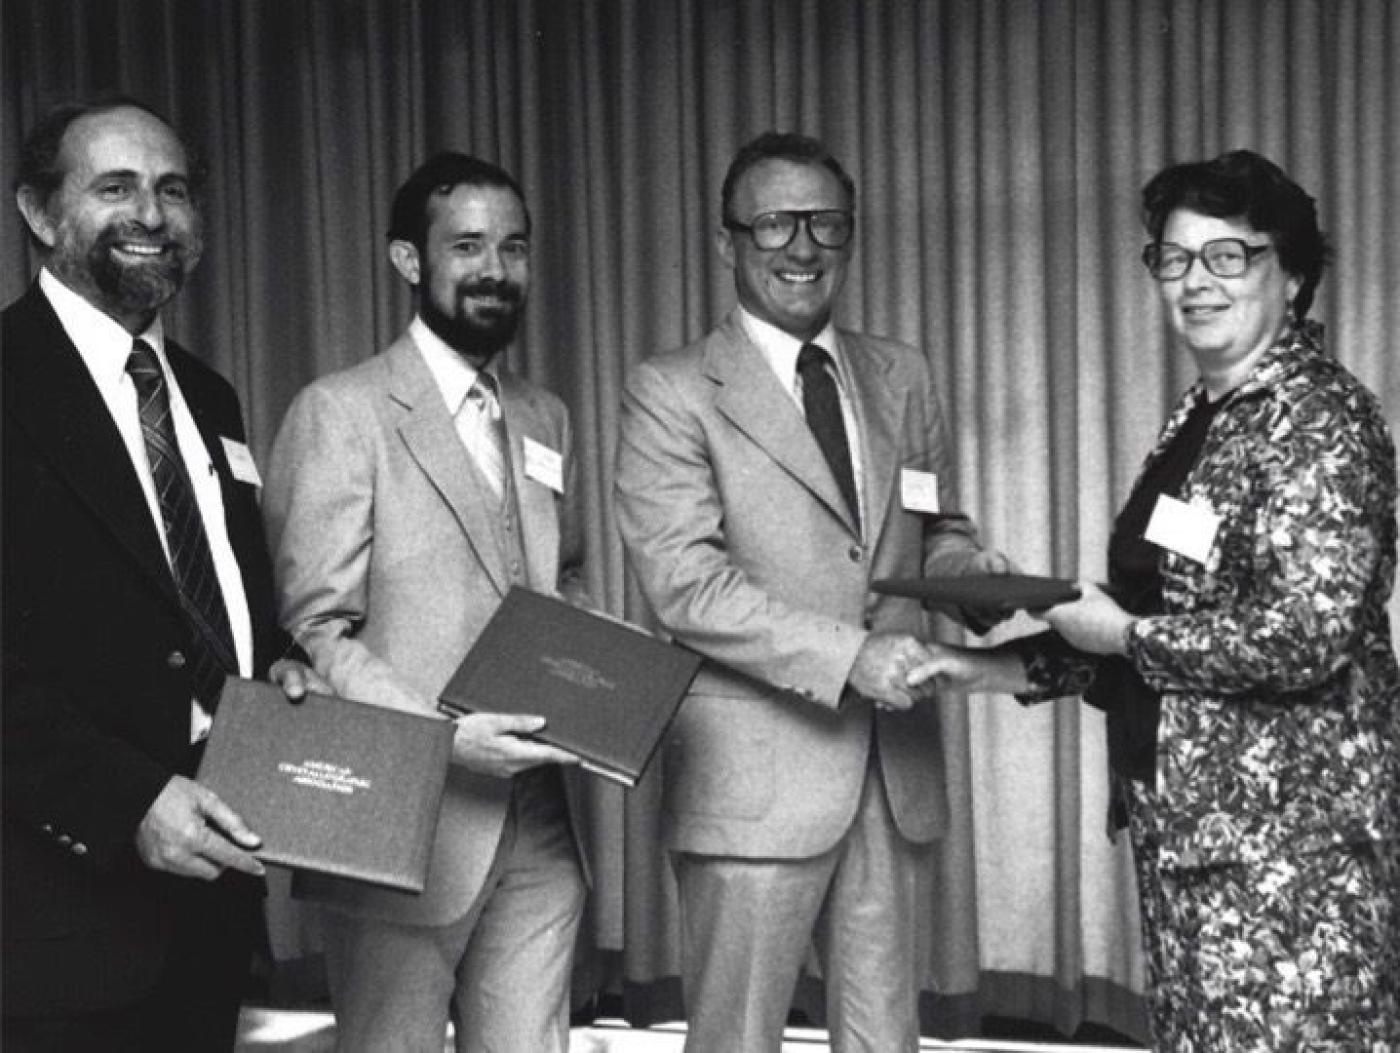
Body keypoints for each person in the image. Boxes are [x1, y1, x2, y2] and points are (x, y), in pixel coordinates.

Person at [914, 149, 1400, 1049]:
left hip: (1289, 867)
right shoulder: (1203, 415)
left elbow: (1307, 634)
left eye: (1228, 256)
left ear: (1290, 275)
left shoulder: (1320, 421)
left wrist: (1129, 632)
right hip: (1190, 842)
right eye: (1174, 258)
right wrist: (982, 666)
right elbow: (1167, 617)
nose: (1195, 282)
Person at [614, 131, 1009, 1052]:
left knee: (885, 1041)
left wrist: (975, 580)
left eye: (825, 224)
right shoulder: (671, 390)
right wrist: (853, 656)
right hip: (753, 781)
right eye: (774, 224)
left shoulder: (899, 372)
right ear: (728, 243)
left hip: (890, 769)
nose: (802, 248)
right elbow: (687, 587)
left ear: (852, 235)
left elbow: (934, 528)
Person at [2, 97, 325, 1052]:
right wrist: (125, 801)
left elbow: (210, 594)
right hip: (53, 913)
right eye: (115, 187)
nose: (152, 213)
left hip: (213, 897)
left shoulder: (208, 394)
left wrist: (283, 660)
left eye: (173, 189)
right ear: (39, 211)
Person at [262, 152, 589, 1053]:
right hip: (399, 827)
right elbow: (311, 631)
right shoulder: (342, 411)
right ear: (409, 261)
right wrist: (447, 741)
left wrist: (605, 683)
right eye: (469, 246)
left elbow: (563, 583)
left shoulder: (547, 416)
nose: (496, 269)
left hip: (542, 824)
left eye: (514, 247)